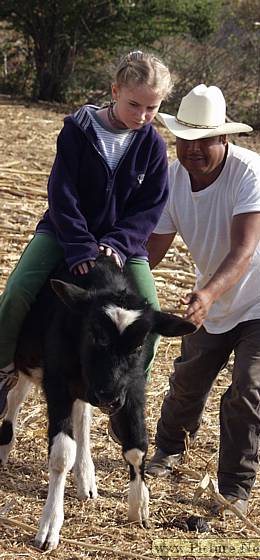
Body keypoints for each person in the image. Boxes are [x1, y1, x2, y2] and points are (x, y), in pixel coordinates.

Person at [145, 84, 260, 515]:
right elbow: (153, 247)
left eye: (204, 141)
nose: (193, 150)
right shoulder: (173, 179)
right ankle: (169, 449)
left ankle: (235, 486)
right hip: (214, 294)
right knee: (190, 376)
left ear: (224, 139)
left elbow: (244, 251)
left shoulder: (251, 174)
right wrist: (121, 278)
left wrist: (208, 293)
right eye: (185, 140)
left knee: (246, 384)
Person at [0, 50, 173, 418]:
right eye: (134, 104)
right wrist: (80, 246)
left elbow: (150, 208)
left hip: (124, 245)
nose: (143, 116)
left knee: (151, 316)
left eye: (152, 108)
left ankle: (128, 395)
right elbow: (62, 192)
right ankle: (2, 370)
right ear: (114, 91)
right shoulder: (78, 131)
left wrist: (119, 243)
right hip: (63, 232)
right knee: (18, 291)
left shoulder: (154, 146)